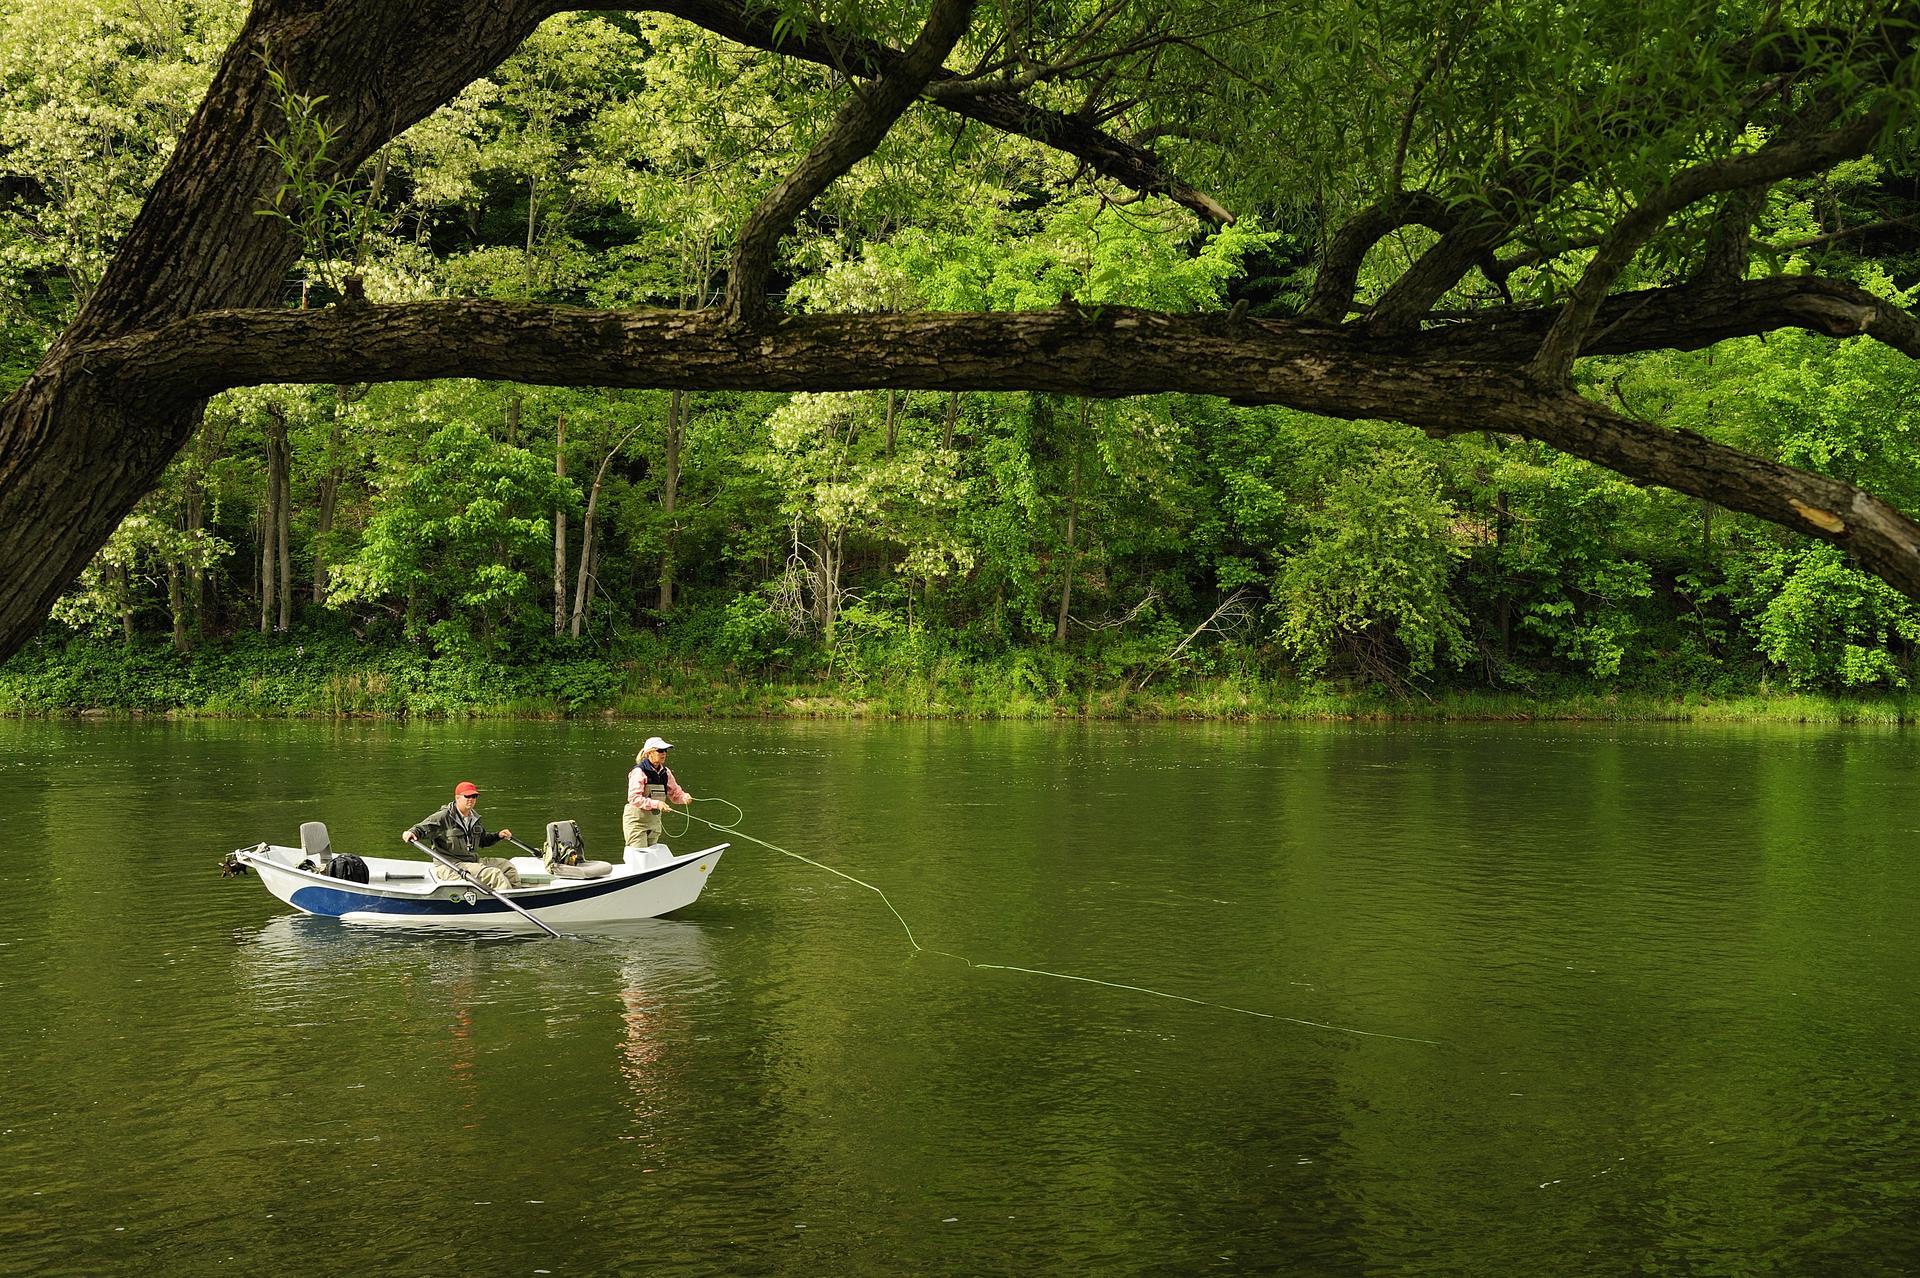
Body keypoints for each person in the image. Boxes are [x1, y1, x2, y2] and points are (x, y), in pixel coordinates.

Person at [402, 781, 519, 891]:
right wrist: (411, 832)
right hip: (450, 866)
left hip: (472, 862)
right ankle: (507, 902)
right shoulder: (443, 816)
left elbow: (482, 841)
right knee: (494, 874)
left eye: (474, 796)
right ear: (457, 797)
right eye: (467, 796)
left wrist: (498, 836)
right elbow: (421, 828)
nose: (471, 799)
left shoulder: (475, 818)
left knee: (507, 866)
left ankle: (519, 897)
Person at [625, 736, 692, 850]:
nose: (664, 753)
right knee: (641, 855)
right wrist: (657, 804)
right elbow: (634, 798)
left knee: (651, 855)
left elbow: (675, 794)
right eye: (660, 750)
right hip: (637, 823)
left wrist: (684, 797)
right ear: (649, 753)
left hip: (654, 824)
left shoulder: (666, 772)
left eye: (665, 750)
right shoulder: (639, 772)